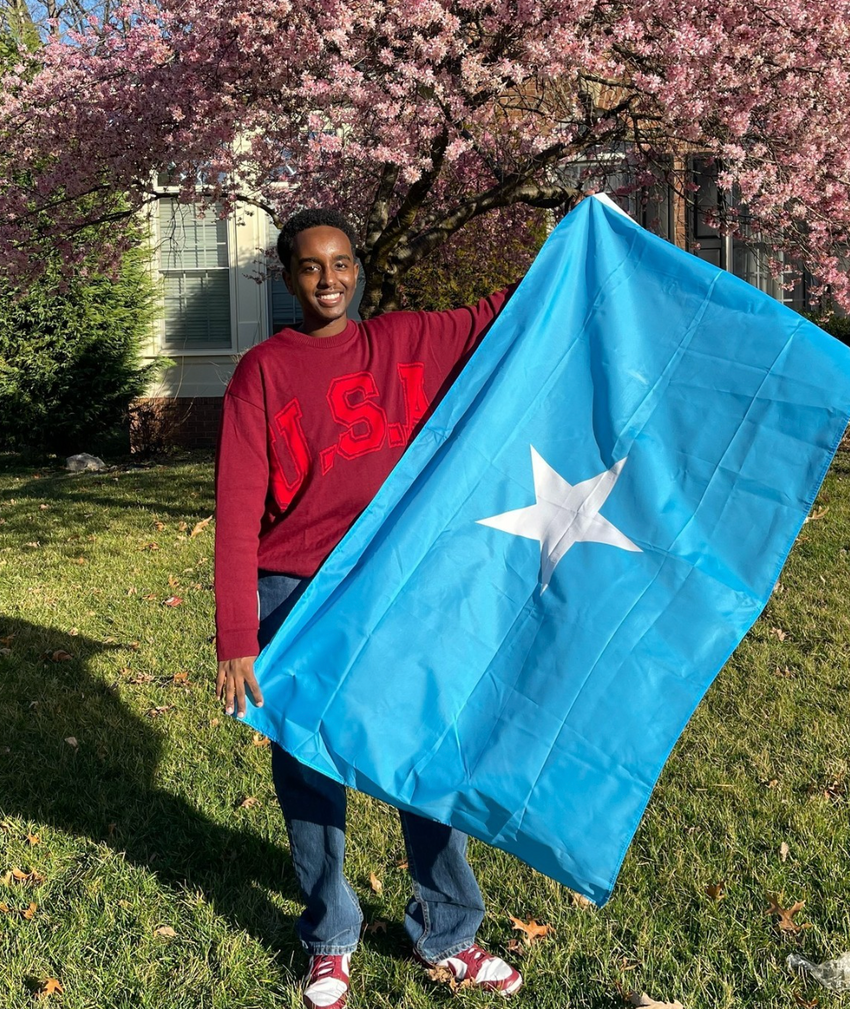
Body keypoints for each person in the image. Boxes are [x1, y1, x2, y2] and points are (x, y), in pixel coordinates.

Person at [213, 208, 522, 1009]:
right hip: (298, 592)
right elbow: (239, 507)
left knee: (425, 751)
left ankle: (447, 926)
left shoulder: (405, 341)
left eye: (342, 263)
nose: (330, 279)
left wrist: (590, 237)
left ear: (358, 269)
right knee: (309, 763)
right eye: (312, 266)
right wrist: (236, 632)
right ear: (287, 277)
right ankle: (329, 934)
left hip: (395, 579)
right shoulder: (263, 371)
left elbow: (505, 309)